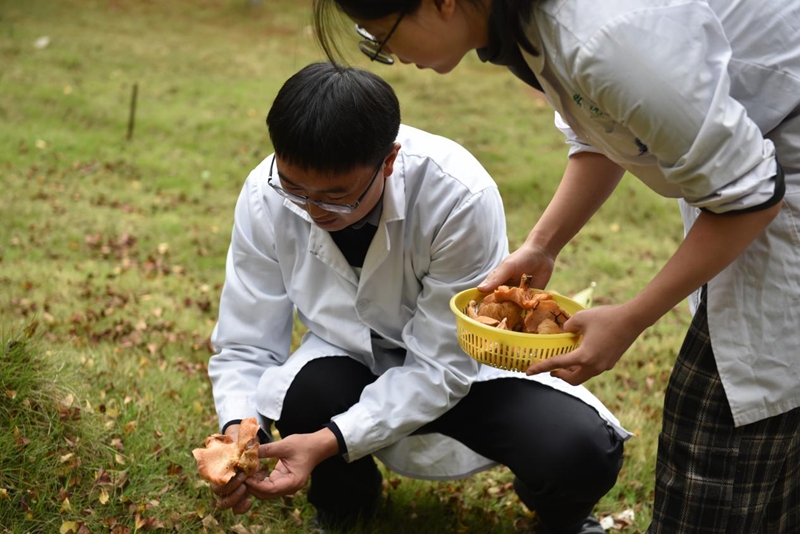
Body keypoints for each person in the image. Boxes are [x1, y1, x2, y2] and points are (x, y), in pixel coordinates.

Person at [311, 0, 800, 532]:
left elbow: (749, 195)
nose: (389, 54)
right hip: (756, 178)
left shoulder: (604, 35)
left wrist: (631, 317)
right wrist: (543, 245)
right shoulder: (533, 28)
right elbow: (606, 128)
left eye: (382, 35)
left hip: (775, 182)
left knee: (720, 444)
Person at [206, 61, 630, 534]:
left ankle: (565, 519)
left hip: (466, 372)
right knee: (305, 393)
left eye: (336, 196)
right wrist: (240, 438)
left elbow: (442, 366)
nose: (311, 209)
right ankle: (346, 506)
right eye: (294, 189)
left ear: (388, 160)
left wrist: (330, 440)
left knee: (578, 447)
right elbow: (246, 340)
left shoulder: (457, 195)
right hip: (349, 363)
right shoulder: (263, 193)